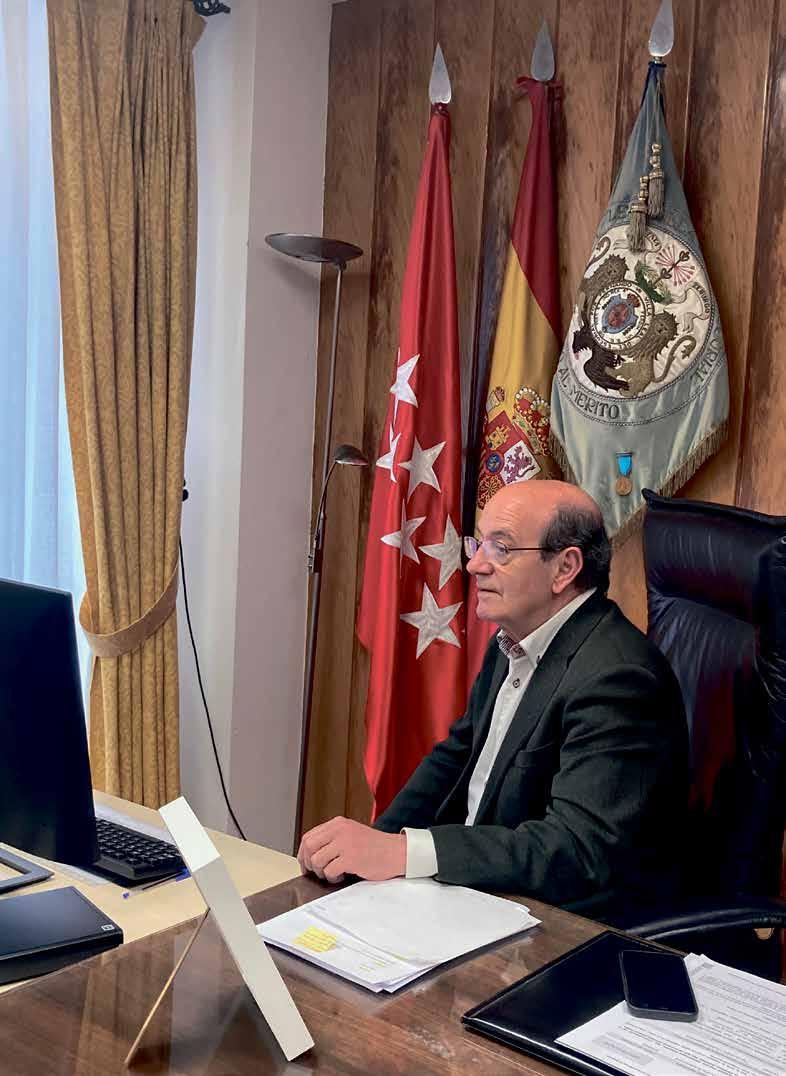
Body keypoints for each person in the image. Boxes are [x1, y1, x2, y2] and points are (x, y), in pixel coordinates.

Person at [298, 480, 688, 918]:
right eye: (478, 543)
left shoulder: (618, 678)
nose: (475, 565)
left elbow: (575, 850)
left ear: (565, 568)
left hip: (566, 921)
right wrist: (375, 846)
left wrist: (405, 852)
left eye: (501, 549)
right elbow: (456, 757)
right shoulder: (515, 637)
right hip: (481, 891)